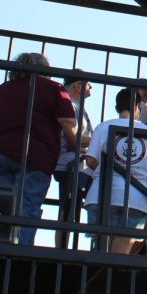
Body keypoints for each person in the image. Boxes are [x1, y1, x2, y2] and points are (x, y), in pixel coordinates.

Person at [0, 52, 77, 246]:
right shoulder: (54, 89)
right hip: (37, 156)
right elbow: (67, 123)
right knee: (28, 204)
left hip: (1, 153)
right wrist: (75, 143)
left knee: (0, 201)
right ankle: (19, 251)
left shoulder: (4, 89)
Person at [83, 87, 147, 253]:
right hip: (137, 199)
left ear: (117, 108)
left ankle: (99, 275)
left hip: (101, 195)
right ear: (137, 107)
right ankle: (111, 277)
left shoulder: (103, 127)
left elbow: (90, 160)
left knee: (101, 248)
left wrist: (105, 169)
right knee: (121, 251)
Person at [53, 75, 93, 249]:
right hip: (70, 164)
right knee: (68, 209)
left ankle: (64, 247)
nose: (91, 89)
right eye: (89, 85)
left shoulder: (77, 107)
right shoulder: (71, 105)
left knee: (70, 208)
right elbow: (73, 140)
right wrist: (97, 141)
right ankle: (63, 248)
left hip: (73, 164)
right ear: (78, 85)